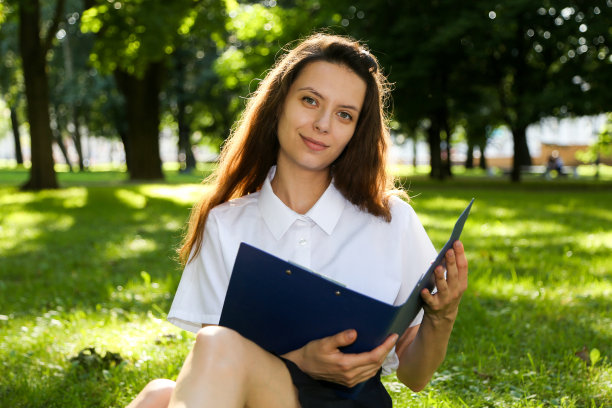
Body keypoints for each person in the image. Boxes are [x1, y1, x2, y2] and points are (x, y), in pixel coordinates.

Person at [126, 33, 468, 408]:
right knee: (158, 394)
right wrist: (301, 361)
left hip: (353, 403)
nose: (323, 124)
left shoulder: (391, 220)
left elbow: (415, 378)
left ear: (356, 131)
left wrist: (442, 315)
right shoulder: (225, 224)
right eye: (310, 100)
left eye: (344, 115)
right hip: (263, 397)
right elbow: (218, 365)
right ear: (278, 105)